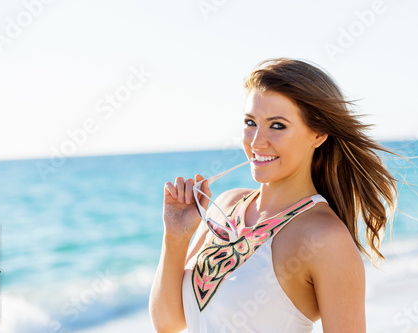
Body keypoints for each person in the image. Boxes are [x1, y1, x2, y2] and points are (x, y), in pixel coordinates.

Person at [149, 58, 398, 332]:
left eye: (277, 125)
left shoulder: (325, 238)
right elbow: (169, 322)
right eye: (250, 122)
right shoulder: (227, 204)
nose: (257, 142)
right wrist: (175, 237)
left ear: (318, 134)